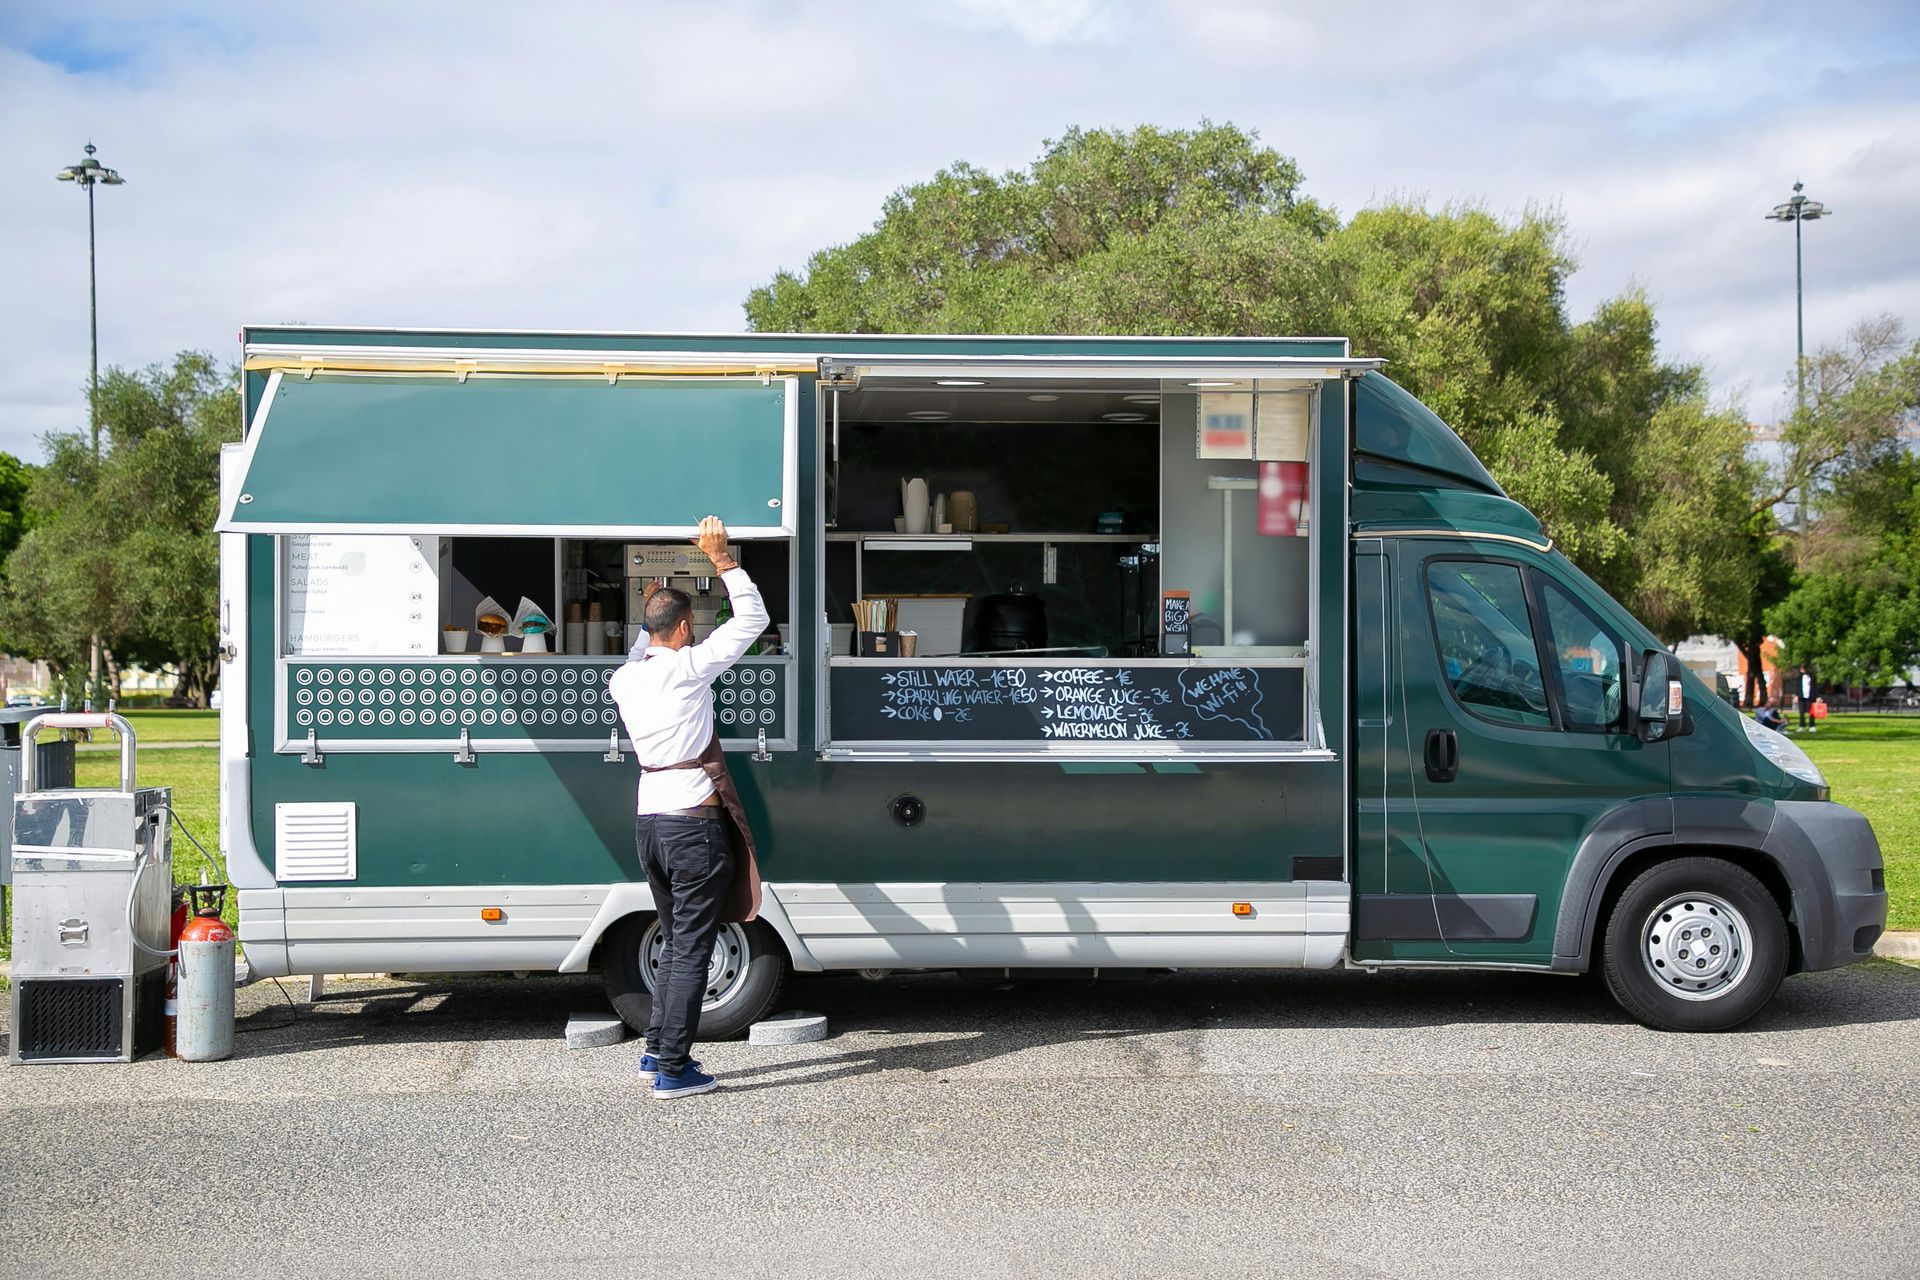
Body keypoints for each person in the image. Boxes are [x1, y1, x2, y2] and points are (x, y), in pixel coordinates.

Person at [609, 516, 769, 1099]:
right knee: (691, 950)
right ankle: (673, 1068)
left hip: (649, 822)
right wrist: (722, 560)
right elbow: (753, 621)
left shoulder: (624, 680)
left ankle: (657, 1052)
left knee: (676, 941)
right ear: (684, 629)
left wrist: (655, 602)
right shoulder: (688, 667)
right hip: (691, 826)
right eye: (689, 628)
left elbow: (642, 644)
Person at [1798, 665, 1816, 732]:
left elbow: (1815, 687)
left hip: (1810, 696)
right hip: (1801, 696)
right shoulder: (1799, 677)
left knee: (1811, 712)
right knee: (1801, 712)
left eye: (1802, 669)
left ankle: (1812, 726)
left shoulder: (1812, 677)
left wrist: (1817, 697)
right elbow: (1797, 687)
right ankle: (1802, 726)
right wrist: (1796, 695)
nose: (1801, 670)